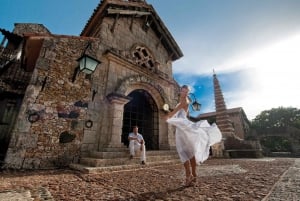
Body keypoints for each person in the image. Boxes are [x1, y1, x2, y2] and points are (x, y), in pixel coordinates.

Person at [165, 85, 222, 186]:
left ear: (188, 93)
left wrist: (167, 116)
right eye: (183, 91)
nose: (184, 93)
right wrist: (171, 115)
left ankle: (189, 175)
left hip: (184, 129)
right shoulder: (183, 102)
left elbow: (174, 112)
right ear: (180, 91)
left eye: (186, 92)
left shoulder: (184, 102)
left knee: (184, 152)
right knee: (188, 152)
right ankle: (193, 175)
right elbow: (179, 114)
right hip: (182, 128)